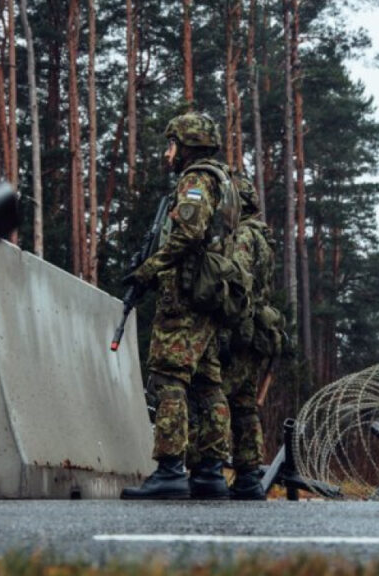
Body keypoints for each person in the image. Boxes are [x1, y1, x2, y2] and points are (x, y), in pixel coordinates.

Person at [120, 112, 239, 500]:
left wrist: (147, 270)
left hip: (186, 297)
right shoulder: (222, 182)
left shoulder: (196, 181)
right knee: (207, 385)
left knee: (169, 377)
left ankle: (170, 470)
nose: (168, 153)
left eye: (172, 144)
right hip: (207, 297)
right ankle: (209, 473)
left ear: (187, 146)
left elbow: (187, 233)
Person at [221, 176, 277, 500]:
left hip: (241, 328)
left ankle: (210, 469)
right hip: (256, 330)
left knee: (217, 397)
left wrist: (226, 327)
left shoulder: (243, 236)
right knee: (244, 405)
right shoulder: (263, 239)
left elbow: (237, 281)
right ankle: (248, 476)